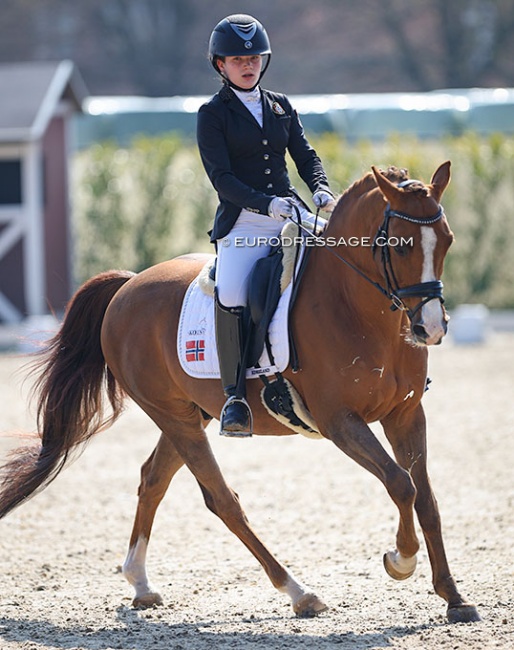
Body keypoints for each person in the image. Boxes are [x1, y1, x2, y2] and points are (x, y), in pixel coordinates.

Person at [197, 13, 334, 437]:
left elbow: (306, 156)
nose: (248, 64)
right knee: (234, 289)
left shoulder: (280, 105)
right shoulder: (212, 114)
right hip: (244, 222)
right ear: (220, 64)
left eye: (254, 57)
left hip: (292, 213)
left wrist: (322, 190)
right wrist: (265, 203)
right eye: (238, 58)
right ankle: (236, 397)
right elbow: (222, 179)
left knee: (346, 258)